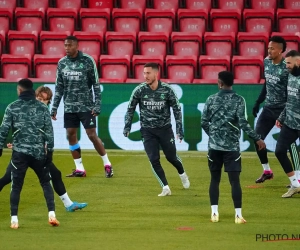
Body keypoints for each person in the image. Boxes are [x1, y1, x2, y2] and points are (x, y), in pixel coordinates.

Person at [0, 86, 88, 212]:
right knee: (7, 178)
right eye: (39, 98)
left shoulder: (42, 111)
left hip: (36, 153)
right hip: (25, 153)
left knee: (55, 174)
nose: (41, 101)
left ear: (48, 102)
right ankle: (68, 205)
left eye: (44, 100)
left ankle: (68, 204)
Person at [201, 71, 266, 224]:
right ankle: (238, 215)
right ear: (232, 83)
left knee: (215, 180)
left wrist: (213, 135)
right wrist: (257, 138)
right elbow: (243, 123)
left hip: (214, 147)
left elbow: (204, 122)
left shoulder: (211, 99)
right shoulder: (239, 100)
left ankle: (214, 214)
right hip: (232, 148)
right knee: (235, 181)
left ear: (219, 82)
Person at [123, 62, 190, 196]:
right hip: (147, 131)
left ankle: (182, 173)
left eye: (148, 73)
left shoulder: (167, 89)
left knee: (171, 157)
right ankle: (165, 187)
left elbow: (177, 110)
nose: (145, 76)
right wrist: (127, 126)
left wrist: (179, 129)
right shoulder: (139, 90)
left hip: (165, 129)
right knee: (154, 159)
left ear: (155, 73)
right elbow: (130, 109)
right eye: (144, 73)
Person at [50, 36, 113, 178]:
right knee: (70, 134)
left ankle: (107, 164)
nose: (67, 48)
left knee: (92, 135)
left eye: (70, 45)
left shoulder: (87, 61)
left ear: (77, 46)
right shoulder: (62, 63)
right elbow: (59, 87)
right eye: (65, 45)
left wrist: (97, 105)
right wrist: (54, 108)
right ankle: (80, 168)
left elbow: (96, 85)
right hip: (69, 107)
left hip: (86, 106)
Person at [0, 79, 59, 229]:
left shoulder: (12, 107)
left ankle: (14, 219)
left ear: (19, 90)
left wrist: (0, 147)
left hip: (19, 153)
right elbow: (49, 133)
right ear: (32, 90)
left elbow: (3, 130)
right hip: (38, 152)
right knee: (45, 182)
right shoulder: (42, 108)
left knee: (16, 185)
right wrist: (50, 152)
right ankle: (52, 214)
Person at [252, 36, 300, 184]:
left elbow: (292, 90)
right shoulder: (266, 62)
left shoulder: (287, 68)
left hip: (284, 109)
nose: (269, 50)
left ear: (280, 50)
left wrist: (287, 111)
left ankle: (297, 178)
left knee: (290, 145)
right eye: (268, 48)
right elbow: (267, 83)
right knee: (257, 138)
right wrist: (258, 102)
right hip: (268, 108)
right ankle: (267, 170)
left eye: (272, 48)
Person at [275, 50, 300, 198]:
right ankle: (295, 184)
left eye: (289, 63)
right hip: (290, 122)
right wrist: (281, 116)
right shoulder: (290, 76)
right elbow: (290, 101)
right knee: (279, 151)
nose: (287, 66)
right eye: (286, 63)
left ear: (298, 62)